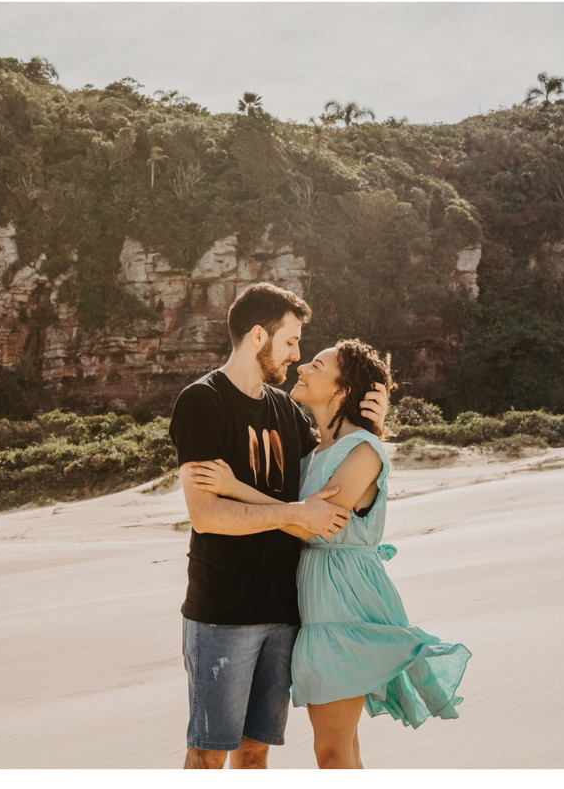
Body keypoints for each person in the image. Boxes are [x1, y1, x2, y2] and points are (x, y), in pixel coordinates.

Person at [186, 339, 471, 769]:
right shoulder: (311, 453)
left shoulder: (362, 451)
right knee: (341, 750)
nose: (301, 366)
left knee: (332, 752)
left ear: (341, 389)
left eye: (317, 365)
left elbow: (311, 523)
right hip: (315, 602)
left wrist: (234, 488)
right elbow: (298, 512)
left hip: (346, 602)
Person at [169, 283, 389, 770]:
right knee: (208, 754)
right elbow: (206, 515)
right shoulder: (202, 401)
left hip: (286, 613)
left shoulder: (286, 409)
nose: (296, 355)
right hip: (223, 611)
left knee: (254, 754)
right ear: (257, 336)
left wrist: (373, 423)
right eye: (290, 341)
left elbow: (337, 455)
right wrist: (293, 513)